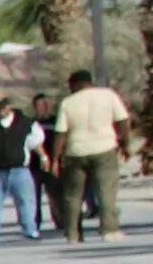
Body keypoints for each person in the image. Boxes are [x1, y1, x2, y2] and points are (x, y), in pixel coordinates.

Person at [51, 67, 132, 241]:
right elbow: (122, 121)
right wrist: (125, 144)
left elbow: (60, 133)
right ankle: (109, 230)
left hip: (76, 151)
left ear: (75, 84)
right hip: (104, 148)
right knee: (106, 192)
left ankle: (73, 233)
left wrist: (55, 159)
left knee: (72, 196)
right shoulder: (108, 95)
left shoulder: (68, 102)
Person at [0, 96, 42, 247]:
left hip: (19, 170)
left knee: (26, 202)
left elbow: (36, 140)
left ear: (9, 107)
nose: (0, 111)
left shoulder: (26, 123)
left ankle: (30, 230)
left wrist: (41, 156)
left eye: (3, 108)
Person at [28, 92, 62, 234]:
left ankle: (61, 221)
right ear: (35, 107)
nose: (45, 107)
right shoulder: (30, 123)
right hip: (34, 165)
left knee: (56, 194)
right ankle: (34, 223)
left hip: (53, 162)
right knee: (33, 196)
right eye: (41, 104)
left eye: (47, 104)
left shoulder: (56, 121)